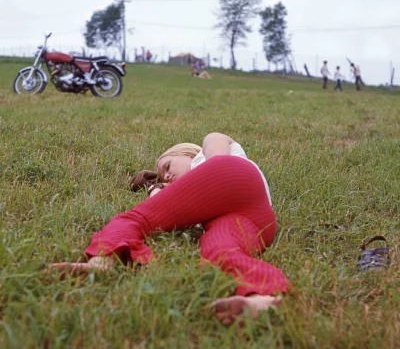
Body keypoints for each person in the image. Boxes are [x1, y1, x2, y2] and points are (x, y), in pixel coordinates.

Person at [50, 132, 291, 326]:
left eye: (167, 165)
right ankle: (262, 299)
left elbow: (217, 147)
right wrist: (156, 187)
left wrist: (211, 164)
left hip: (230, 175)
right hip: (257, 218)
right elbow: (164, 202)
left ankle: (103, 260)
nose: (166, 175)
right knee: (219, 249)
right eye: (164, 175)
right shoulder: (193, 198)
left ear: (185, 152)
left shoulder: (205, 152)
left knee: (137, 218)